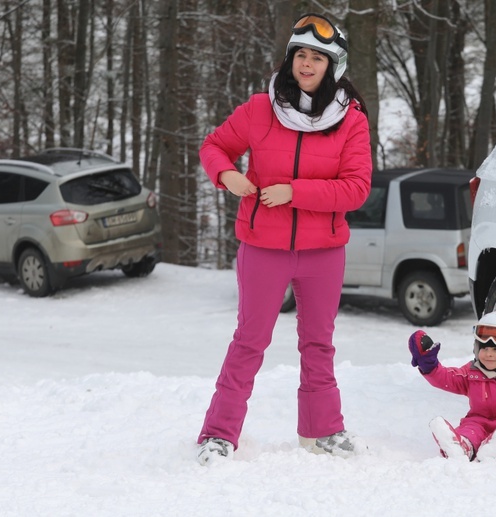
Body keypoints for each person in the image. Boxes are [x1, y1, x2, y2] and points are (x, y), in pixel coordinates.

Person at [196, 13, 372, 465]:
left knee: (318, 343)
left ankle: (323, 431)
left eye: (318, 57)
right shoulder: (260, 108)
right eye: (301, 55)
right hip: (263, 248)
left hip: (324, 251)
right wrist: (227, 175)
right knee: (249, 341)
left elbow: (356, 188)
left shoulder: (350, 120)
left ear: (334, 65)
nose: (307, 64)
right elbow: (213, 146)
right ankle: (218, 434)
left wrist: (295, 192)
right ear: (290, 59)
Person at [407, 310, 496, 461]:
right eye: (484, 348)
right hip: (477, 422)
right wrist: (430, 366)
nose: (488, 354)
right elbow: (448, 378)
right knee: (469, 431)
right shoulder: (473, 372)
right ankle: (460, 446)